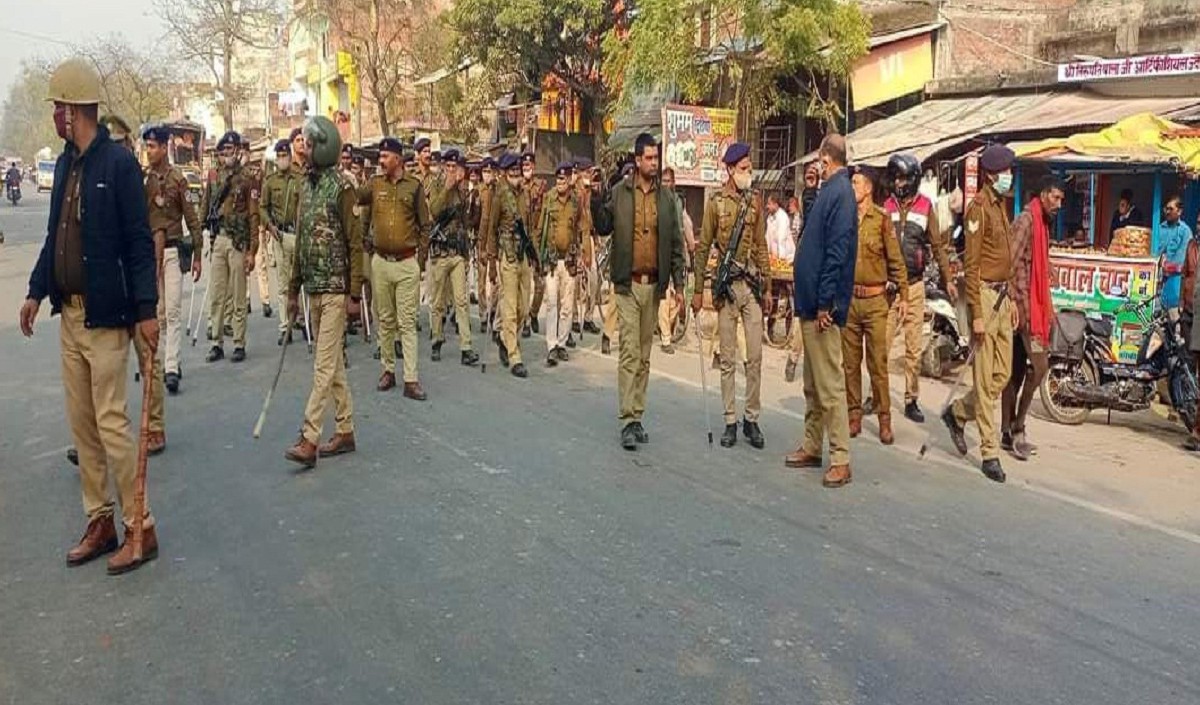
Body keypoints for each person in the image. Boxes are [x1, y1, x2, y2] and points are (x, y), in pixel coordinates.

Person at [21, 58, 160, 573]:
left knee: (112, 424)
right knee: (83, 427)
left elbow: (139, 243)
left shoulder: (118, 165)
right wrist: (36, 291)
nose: (55, 116)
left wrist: (146, 311)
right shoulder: (65, 165)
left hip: (107, 319)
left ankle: (140, 525)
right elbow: (54, 235)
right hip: (71, 318)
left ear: (74, 110)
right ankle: (100, 520)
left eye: (58, 107)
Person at [593, 133, 687, 450]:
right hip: (627, 285)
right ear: (637, 160)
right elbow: (603, 225)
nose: (653, 163)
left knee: (645, 356)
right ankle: (626, 420)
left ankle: (637, 415)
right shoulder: (620, 193)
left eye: (656, 158)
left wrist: (680, 285)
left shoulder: (667, 199)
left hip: (654, 286)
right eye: (649, 158)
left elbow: (675, 243)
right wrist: (595, 197)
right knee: (630, 352)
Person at [284, 116, 364, 468]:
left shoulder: (342, 188)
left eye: (309, 143)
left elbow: (355, 243)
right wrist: (292, 291)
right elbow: (301, 241)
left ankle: (309, 437)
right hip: (313, 288)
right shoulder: (306, 186)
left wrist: (355, 295)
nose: (303, 149)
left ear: (323, 147)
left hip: (335, 289)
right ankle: (345, 430)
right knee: (332, 364)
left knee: (322, 365)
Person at [941, 144, 1019, 484]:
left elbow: (1005, 258)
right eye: (1005, 172)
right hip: (985, 297)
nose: (1009, 176)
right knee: (985, 380)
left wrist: (1013, 298)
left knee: (1002, 375)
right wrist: (975, 314)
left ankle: (958, 412)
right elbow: (971, 266)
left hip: (1003, 296)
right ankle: (990, 452)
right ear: (991, 175)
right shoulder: (977, 210)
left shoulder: (1001, 205)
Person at [785, 134, 856, 488]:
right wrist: (811, 189)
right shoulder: (828, 190)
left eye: (819, 161)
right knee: (812, 385)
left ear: (827, 159)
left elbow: (837, 252)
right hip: (810, 304)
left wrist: (827, 301)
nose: (817, 166)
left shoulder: (842, 193)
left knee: (829, 385)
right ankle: (812, 445)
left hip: (822, 307)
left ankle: (840, 457)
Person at [694, 143, 769, 449]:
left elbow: (761, 244)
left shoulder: (755, 202)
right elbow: (703, 247)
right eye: (743, 169)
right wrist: (697, 290)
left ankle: (751, 418)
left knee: (755, 357)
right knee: (727, 359)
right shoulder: (715, 203)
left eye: (749, 168)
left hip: (751, 288)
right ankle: (729, 420)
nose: (748, 173)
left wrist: (768, 284)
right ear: (730, 170)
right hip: (726, 289)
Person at [881, 153, 956, 423]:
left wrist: (948, 279)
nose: (898, 183)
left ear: (913, 179)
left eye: (903, 178)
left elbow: (937, 247)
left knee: (913, 349)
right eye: (896, 178)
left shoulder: (926, 207)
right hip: (888, 288)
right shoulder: (886, 206)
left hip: (914, 287)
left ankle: (911, 399)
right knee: (881, 346)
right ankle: (877, 395)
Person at [357, 137, 431, 399]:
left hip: (406, 263)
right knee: (385, 320)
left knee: (407, 322)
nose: (381, 160)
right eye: (380, 156)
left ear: (398, 159)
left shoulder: (414, 186)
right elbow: (357, 198)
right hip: (381, 263)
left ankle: (411, 379)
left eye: (385, 156)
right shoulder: (375, 184)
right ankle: (388, 370)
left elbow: (425, 226)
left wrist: (419, 262)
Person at [842, 167, 908, 444]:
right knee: (850, 364)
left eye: (856, 183)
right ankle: (853, 415)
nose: (852, 187)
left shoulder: (881, 219)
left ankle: (884, 419)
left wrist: (904, 295)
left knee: (878, 364)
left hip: (875, 302)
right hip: (850, 300)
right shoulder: (845, 218)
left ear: (868, 188)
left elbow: (895, 259)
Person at [1000, 176, 1063, 461]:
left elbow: (1031, 258)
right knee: (1039, 367)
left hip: (1030, 307)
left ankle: (1006, 430)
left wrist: (1047, 266)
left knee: (1014, 372)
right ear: (1043, 195)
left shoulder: (1042, 222)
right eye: (1055, 198)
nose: (1059, 204)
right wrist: (1013, 301)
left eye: (1061, 200)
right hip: (1024, 310)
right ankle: (1018, 427)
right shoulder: (1027, 221)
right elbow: (1009, 263)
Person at [142, 124, 203, 400]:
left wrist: (198, 254)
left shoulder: (179, 180)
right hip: (150, 254)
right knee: (159, 312)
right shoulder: (143, 181)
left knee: (174, 310)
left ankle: (171, 367)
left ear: (164, 147)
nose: (149, 151)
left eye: (153, 146)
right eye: (147, 146)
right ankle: (166, 359)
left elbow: (192, 218)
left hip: (173, 251)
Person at [202, 130, 259, 364]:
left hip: (237, 241)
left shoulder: (246, 178)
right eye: (224, 150)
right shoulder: (214, 176)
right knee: (217, 294)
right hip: (219, 239)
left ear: (237, 150)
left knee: (237, 294)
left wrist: (252, 250)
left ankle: (238, 342)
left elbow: (253, 215)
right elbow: (206, 206)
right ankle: (216, 342)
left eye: (231, 149)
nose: (228, 154)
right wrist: (202, 233)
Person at [427, 149, 479, 366]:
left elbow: (464, 223)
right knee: (438, 302)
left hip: (457, 252)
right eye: (448, 166)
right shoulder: (436, 185)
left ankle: (466, 347)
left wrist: (466, 255)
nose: (451, 170)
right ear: (443, 166)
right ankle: (437, 340)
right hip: (440, 253)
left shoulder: (462, 189)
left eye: (454, 167)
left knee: (461, 301)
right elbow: (435, 210)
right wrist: (448, 188)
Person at [488, 152, 533, 378]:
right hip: (507, 255)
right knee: (510, 305)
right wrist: (491, 260)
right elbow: (491, 228)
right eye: (512, 170)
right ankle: (515, 356)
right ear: (506, 173)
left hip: (523, 254)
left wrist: (535, 255)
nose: (516, 174)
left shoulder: (525, 193)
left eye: (518, 170)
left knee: (523, 307)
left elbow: (529, 226)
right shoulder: (499, 195)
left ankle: (505, 338)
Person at [536, 161, 585, 366]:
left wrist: (583, 254)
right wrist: (538, 256)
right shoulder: (549, 199)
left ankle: (562, 343)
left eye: (564, 179)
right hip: (552, 260)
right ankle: (551, 345)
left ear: (570, 180)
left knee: (567, 305)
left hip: (570, 260)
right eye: (558, 179)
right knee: (551, 303)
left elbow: (581, 228)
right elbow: (540, 228)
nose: (561, 182)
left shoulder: (576, 201)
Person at [260, 139, 304, 346]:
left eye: (285, 155)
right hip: (280, 234)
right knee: (283, 284)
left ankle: (303, 321)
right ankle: (285, 327)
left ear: (290, 156)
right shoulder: (270, 182)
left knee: (302, 281)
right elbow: (262, 207)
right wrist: (269, 226)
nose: (282, 159)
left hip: (298, 235)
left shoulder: (299, 179)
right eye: (279, 156)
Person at [784, 162, 824, 383]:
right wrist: (810, 190)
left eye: (815, 173)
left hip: (821, 269)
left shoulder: (825, 198)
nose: (812, 175)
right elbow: (808, 217)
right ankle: (794, 358)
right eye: (809, 173)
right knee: (805, 319)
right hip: (807, 268)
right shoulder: (806, 199)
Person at [656, 167, 687, 354]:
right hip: (660, 253)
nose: (666, 184)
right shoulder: (657, 200)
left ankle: (665, 326)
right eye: (664, 181)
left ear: (674, 183)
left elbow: (683, 227)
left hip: (676, 253)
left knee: (678, 298)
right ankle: (666, 338)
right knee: (664, 297)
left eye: (669, 181)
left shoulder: (678, 202)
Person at [1157, 195, 1193, 315]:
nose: (1167, 212)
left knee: (1174, 320)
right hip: (1157, 287)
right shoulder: (1160, 228)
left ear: (1179, 211)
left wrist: (1165, 264)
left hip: (1175, 288)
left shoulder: (1185, 231)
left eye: (1171, 209)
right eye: (1166, 209)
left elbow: (1181, 261)